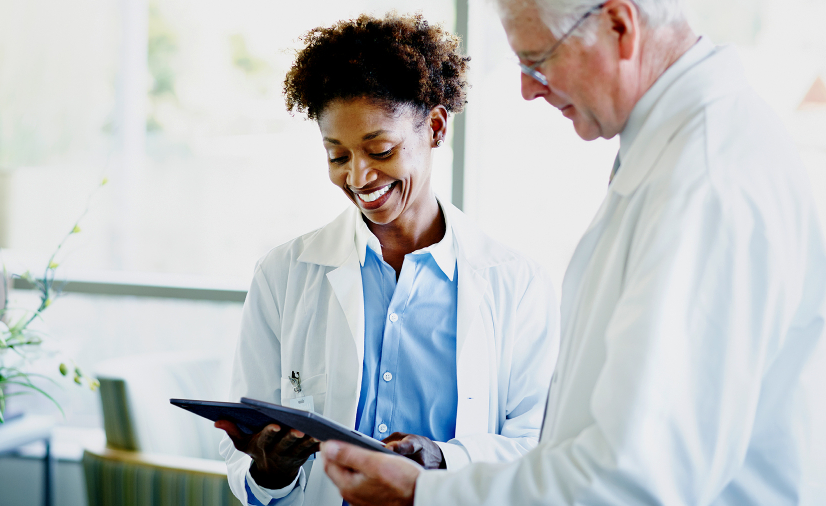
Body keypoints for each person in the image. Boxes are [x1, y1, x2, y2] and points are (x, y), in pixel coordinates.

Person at [319, 0, 826, 504]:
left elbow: (634, 480)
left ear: (618, 26)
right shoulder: (675, 155)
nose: (527, 88)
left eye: (538, 60)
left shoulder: (707, 181)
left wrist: (425, 493)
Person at [216, 13, 560, 506]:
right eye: (337, 156)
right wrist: (269, 472)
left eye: (380, 149)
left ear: (436, 127)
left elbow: (538, 445)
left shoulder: (515, 282)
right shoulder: (283, 274)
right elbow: (244, 465)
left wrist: (442, 457)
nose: (358, 177)